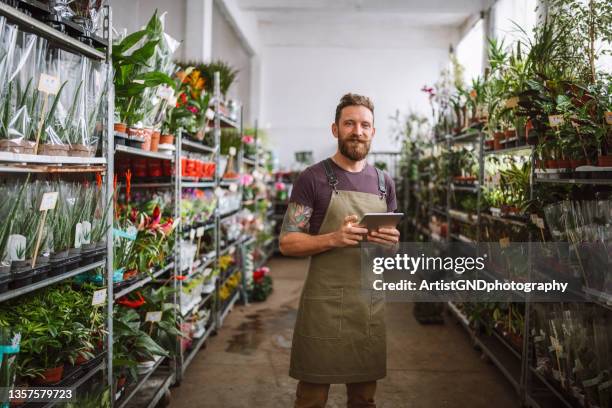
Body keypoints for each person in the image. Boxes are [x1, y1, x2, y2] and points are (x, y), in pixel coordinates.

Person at [279, 93, 399, 408]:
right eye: (349, 123)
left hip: (367, 306)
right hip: (324, 306)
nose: (357, 131)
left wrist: (391, 244)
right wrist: (333, 238)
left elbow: (391, 249)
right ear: (335, 129)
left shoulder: (384, 183)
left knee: (363, 398)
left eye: (364, 125)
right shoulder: (313, 178)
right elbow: (288, 241)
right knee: (311, 398)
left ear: (373, 132)